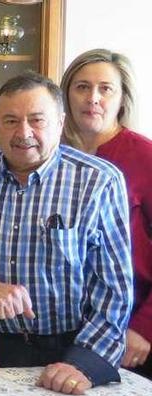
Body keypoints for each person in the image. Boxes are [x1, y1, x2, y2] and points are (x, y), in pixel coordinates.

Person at [0, 72, 133, 395]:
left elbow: (115, 289)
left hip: (70, 351)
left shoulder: (98, 181)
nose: (24, 133)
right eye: (10, 121)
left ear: (60, 122)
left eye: (36, 120)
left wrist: (83, 362)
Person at [61, 49, 152, 378]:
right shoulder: (51, 155)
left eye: (105, 88)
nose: (92, 98)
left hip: (130, 334)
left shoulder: (145, 157)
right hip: (63, 331)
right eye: (82, 87)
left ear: (123, 98)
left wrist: (144, 327)